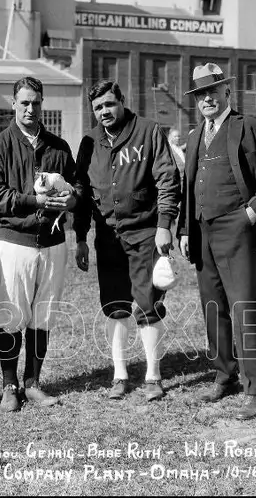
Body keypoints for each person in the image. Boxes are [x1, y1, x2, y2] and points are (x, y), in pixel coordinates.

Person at [177, 63, 256, 420]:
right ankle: (224, 373)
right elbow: (188, 186)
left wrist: (252, 213)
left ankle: (253, 389)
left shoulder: (250, 127)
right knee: (213, 307)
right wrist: (184, 229)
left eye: (213, 91)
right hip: (201, 230)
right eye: (199, 94)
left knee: (243, 309)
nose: (206, 99)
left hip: (236, 228)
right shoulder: (194, 136)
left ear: (227, 93)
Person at [73, 80, 181, 402]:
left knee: (148, 304)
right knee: (114, 307)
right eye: (97, 108)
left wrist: (164, 225)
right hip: (107, 237)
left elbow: (167, 178)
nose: (104, 112)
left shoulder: (147, 131)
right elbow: (81, 193)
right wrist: (80, 237)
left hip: (145, 232)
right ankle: (120, 375)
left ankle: (153, 376)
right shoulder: (89, 141)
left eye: (109, 104)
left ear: (121, 101)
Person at [0, 76, 78, 411]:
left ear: (42, 103)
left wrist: (71, 198)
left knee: (43, 315)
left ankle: (33, 383)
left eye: (36, 102)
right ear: (13, 104)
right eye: (24, 103)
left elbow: (77, 189)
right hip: (15, 242)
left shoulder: (59, 147)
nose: (30, 109)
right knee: (12, 316)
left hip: (53, 242)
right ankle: (9, 386)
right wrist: (33, 202)